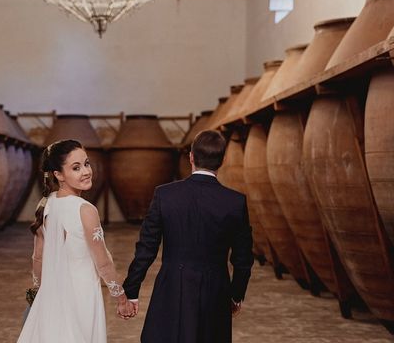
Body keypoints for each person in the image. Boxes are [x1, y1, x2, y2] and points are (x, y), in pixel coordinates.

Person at [121, 130, 254, 342]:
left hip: (172, 286)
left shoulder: (165, 195)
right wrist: (236, 295)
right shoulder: (235, 202)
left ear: (191, 156)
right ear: (222, 161)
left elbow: (146, 248)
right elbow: (243, 259)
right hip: (216, 290)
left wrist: (131, 290)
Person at [18, 139, 134, 343]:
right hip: (81, 297)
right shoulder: (85, 210)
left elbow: (38, 258)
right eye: (76, 167)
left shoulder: (46, 204)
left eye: (87, 164)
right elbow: (103, 263)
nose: (86, 171)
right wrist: (121, 299)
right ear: (58, 175)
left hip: (51, 297)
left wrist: (38, 294)